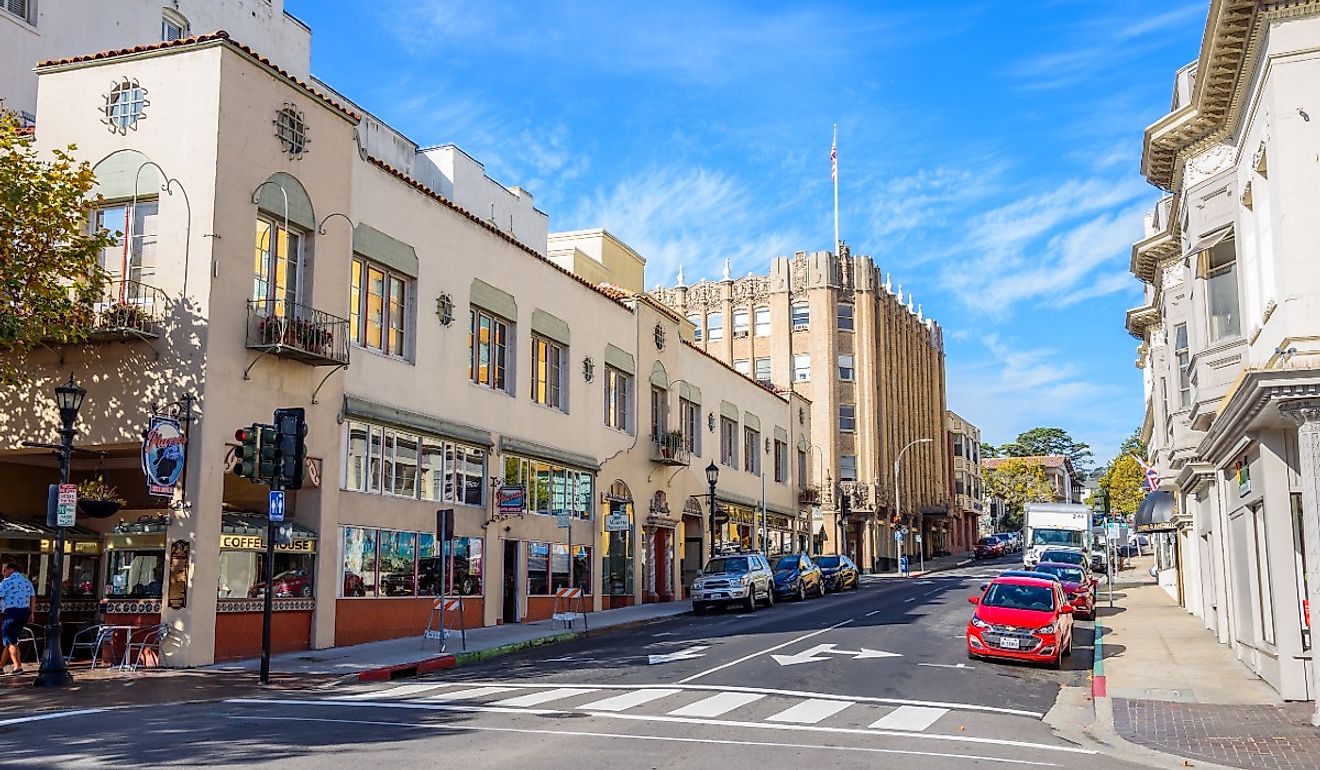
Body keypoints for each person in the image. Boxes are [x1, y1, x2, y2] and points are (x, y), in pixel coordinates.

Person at [0, 561, 37, 675]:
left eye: (4, 570)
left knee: (10, 640)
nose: (3, 572)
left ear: (10, 569)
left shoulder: (6, 582)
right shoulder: (27, 581)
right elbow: (33, 597)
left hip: (11, 612)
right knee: (11, 639)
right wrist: (32, 613)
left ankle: (17, 666)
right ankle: (1, 665)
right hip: (24, 612)